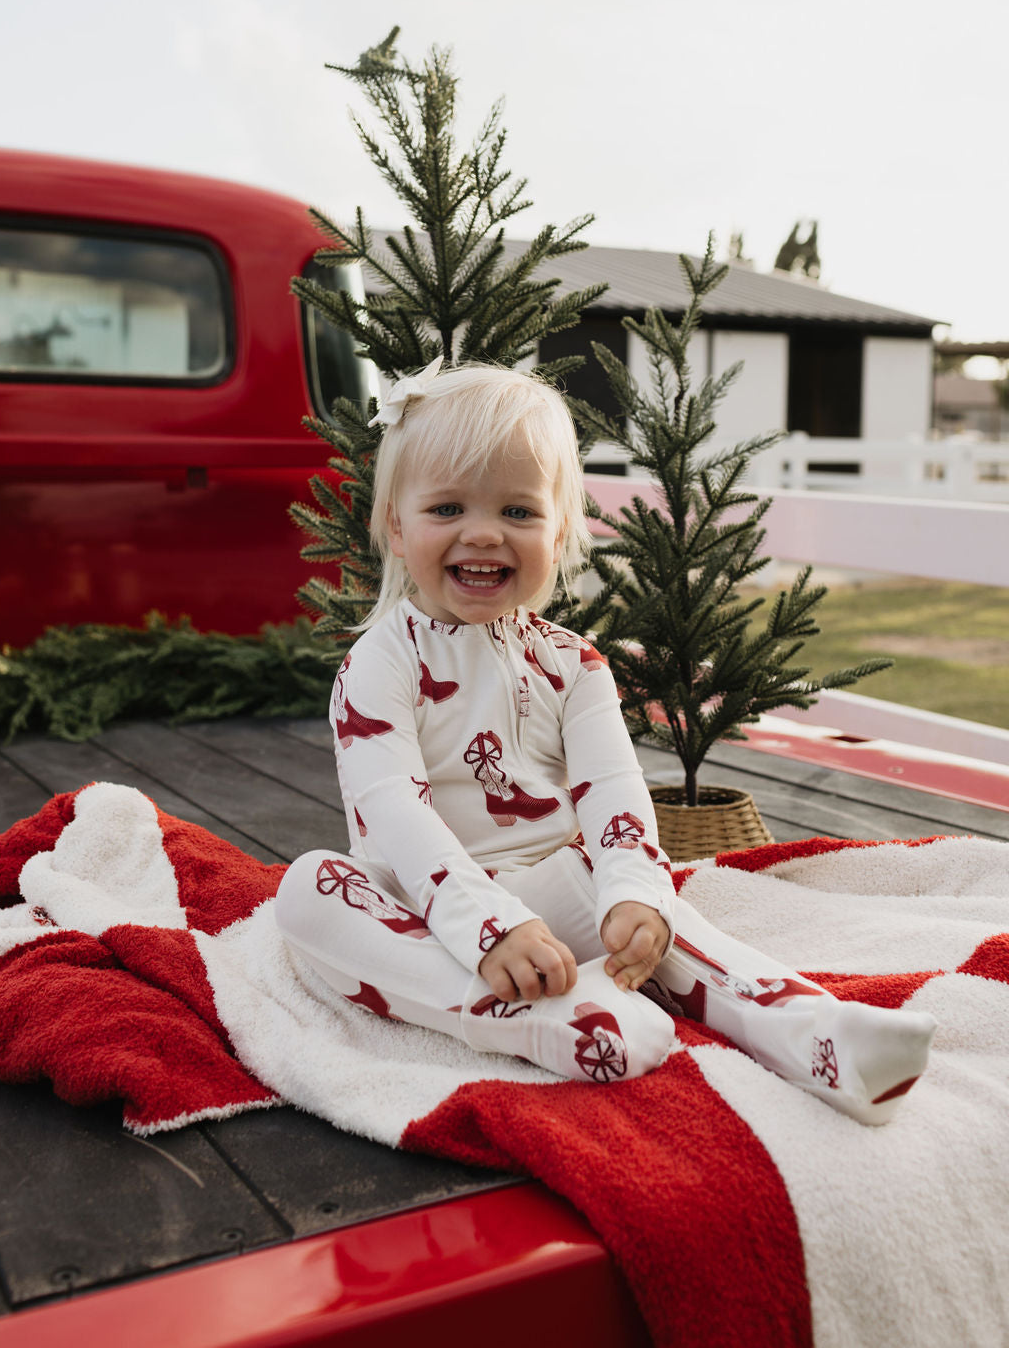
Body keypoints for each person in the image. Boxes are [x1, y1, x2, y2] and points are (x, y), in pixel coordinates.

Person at [275, 360, 935, 1122]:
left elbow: (615, 792)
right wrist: (489, 927)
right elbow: (397, 812)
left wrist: (635, 895)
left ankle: (818, 1033)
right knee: (308, 892)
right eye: (448, 505)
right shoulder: (378, 665)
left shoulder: (572, 663)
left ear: (560, 528)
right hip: (423, 911)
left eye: (519, 511)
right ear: (396, 523)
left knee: (659, 915)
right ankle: (548, 1019)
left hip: (554, 890)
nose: (484, 532)